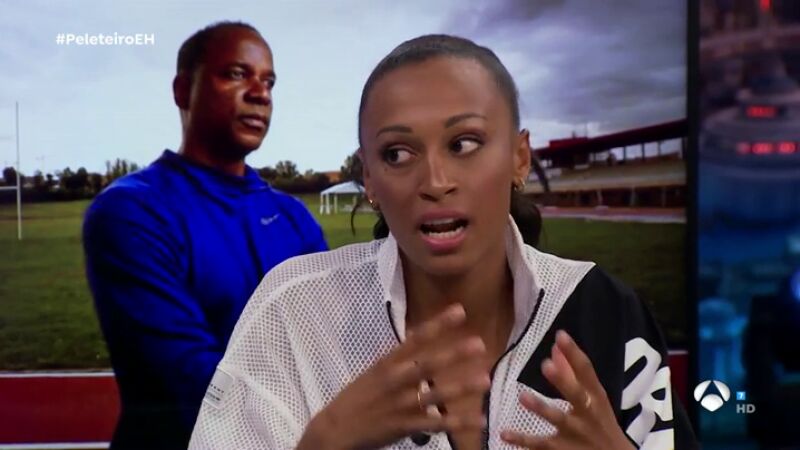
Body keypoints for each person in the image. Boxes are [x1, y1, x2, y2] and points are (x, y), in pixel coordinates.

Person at [189, 34, 696, 449]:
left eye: (464, 144)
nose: (435, 181)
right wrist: (323, 443)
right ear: (369, 178)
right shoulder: (292, 314)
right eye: (397, 153)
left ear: (519, 158)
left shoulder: (606, 311)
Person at [82, 21, 327, 449]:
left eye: (269, 81)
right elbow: (198, 391)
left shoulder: (294, 217)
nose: (261, 93)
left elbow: (332, 350)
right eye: (236, 74)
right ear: (183, 90)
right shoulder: (130, 212)